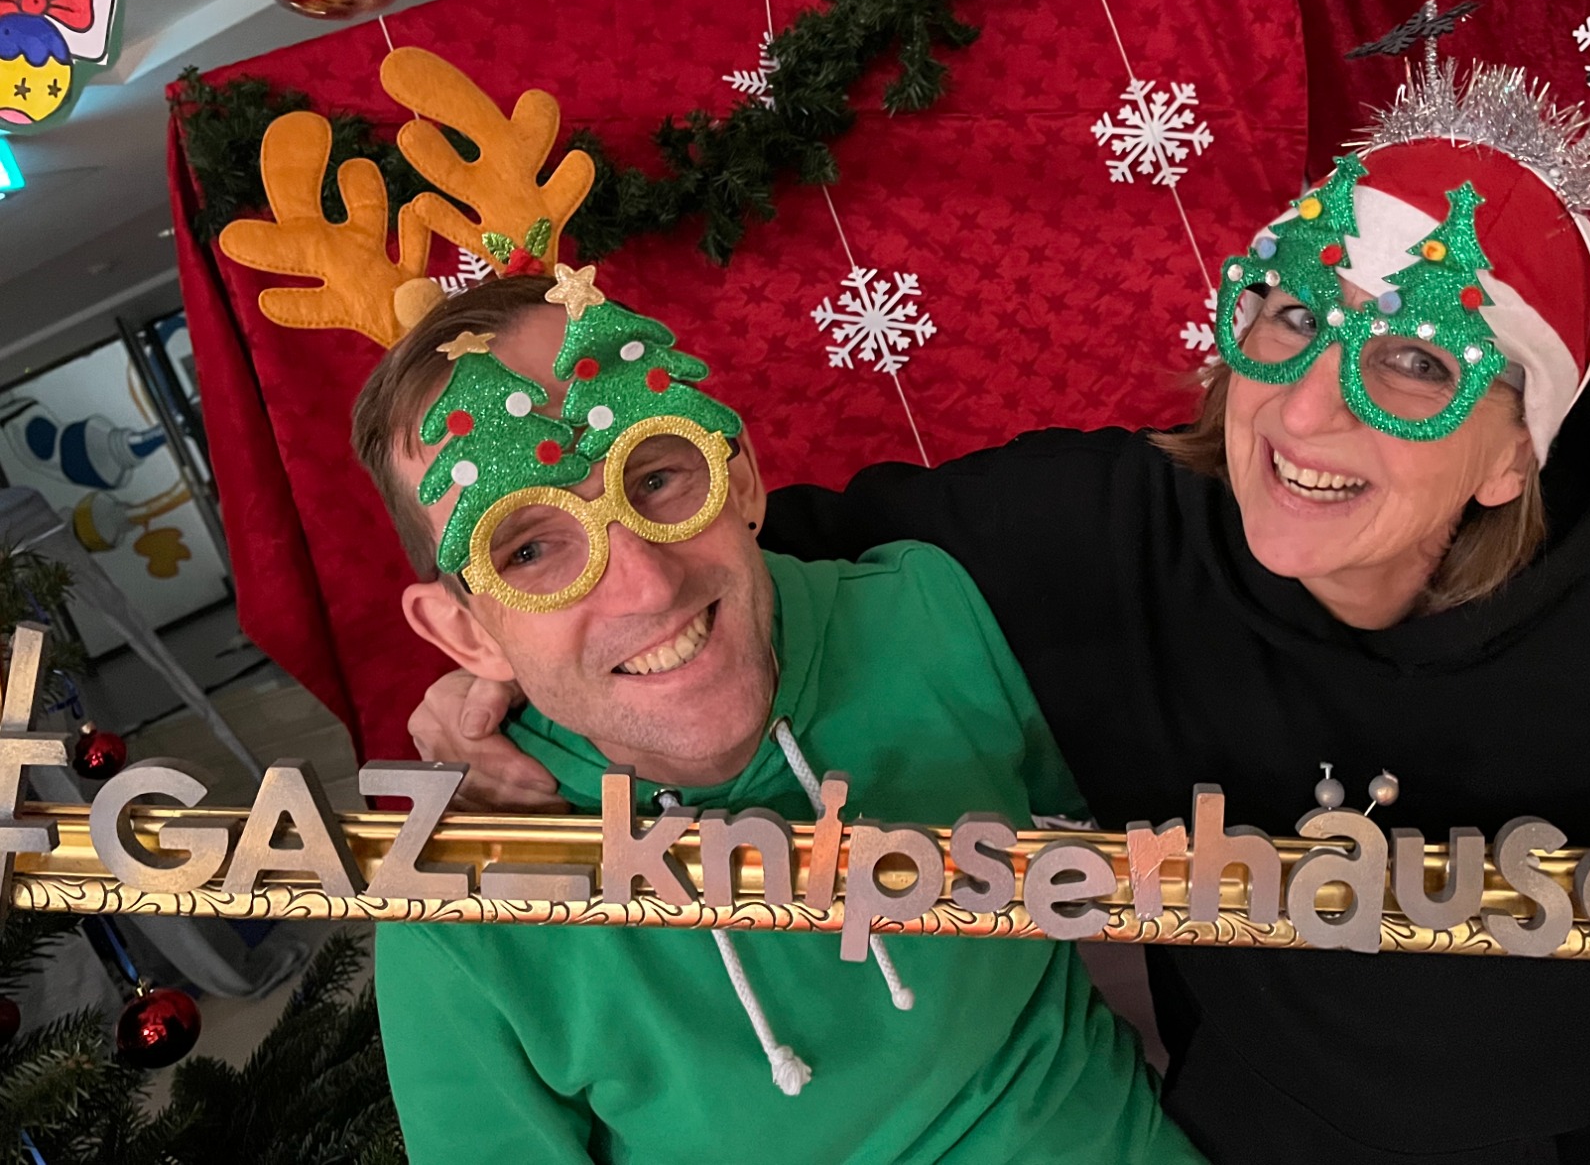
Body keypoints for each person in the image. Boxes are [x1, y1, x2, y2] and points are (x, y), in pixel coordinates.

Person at [414, 57, 1590, 1165]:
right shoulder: (1101, 540)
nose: (1305, 411)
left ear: (1515, 452)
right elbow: (733, 546)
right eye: (1290, 318)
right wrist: (521, 667)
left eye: (1416, 365)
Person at [356, 268, 1202, 1165]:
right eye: (529, 549)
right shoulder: (455, 917)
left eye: (656, 478)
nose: (648, 584)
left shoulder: (938, 616)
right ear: (464, 633)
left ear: (743, 480)